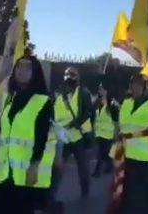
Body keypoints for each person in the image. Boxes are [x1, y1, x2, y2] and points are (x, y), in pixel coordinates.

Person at [0, 54, 56, 214]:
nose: (22, 70)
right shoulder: (10, 100)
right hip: (4, 174)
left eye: (28, 67)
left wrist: (34, 165)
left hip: (25, 176)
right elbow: (4, 132)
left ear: (35, 73)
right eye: (19, 66)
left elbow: (42, 137)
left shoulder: (43, 102)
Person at [107, 74, 148, 214]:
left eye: (138, 84)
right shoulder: (126, 103)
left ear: (145, 87)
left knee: (147, 187)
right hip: (126, 151)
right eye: (132, 84)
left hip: (145, 154)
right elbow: (121, 124)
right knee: (127, 186)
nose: (134, 87)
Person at [53, 66, 93, 198]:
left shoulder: (83, 93)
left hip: (78, 138)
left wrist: (75, 123)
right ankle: (50, 195)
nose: (69, 77)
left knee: (83, 167)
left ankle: (85, 191)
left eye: (72, 74)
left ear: (77, 77)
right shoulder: (58, 94)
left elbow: (88, 112)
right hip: (63, 138)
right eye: (67, 74)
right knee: (57, 168)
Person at [91, 85, 119, 178]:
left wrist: (116, 133)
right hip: (99, 132)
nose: (100, 91)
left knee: (102, 153)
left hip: (108, 133)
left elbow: (116, 120)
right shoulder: (97, 102)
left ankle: (97, 171)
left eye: (102, 89)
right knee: (104, 153)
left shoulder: (111, 103)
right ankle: (109, 166)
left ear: (107, 91)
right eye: (99, 89)